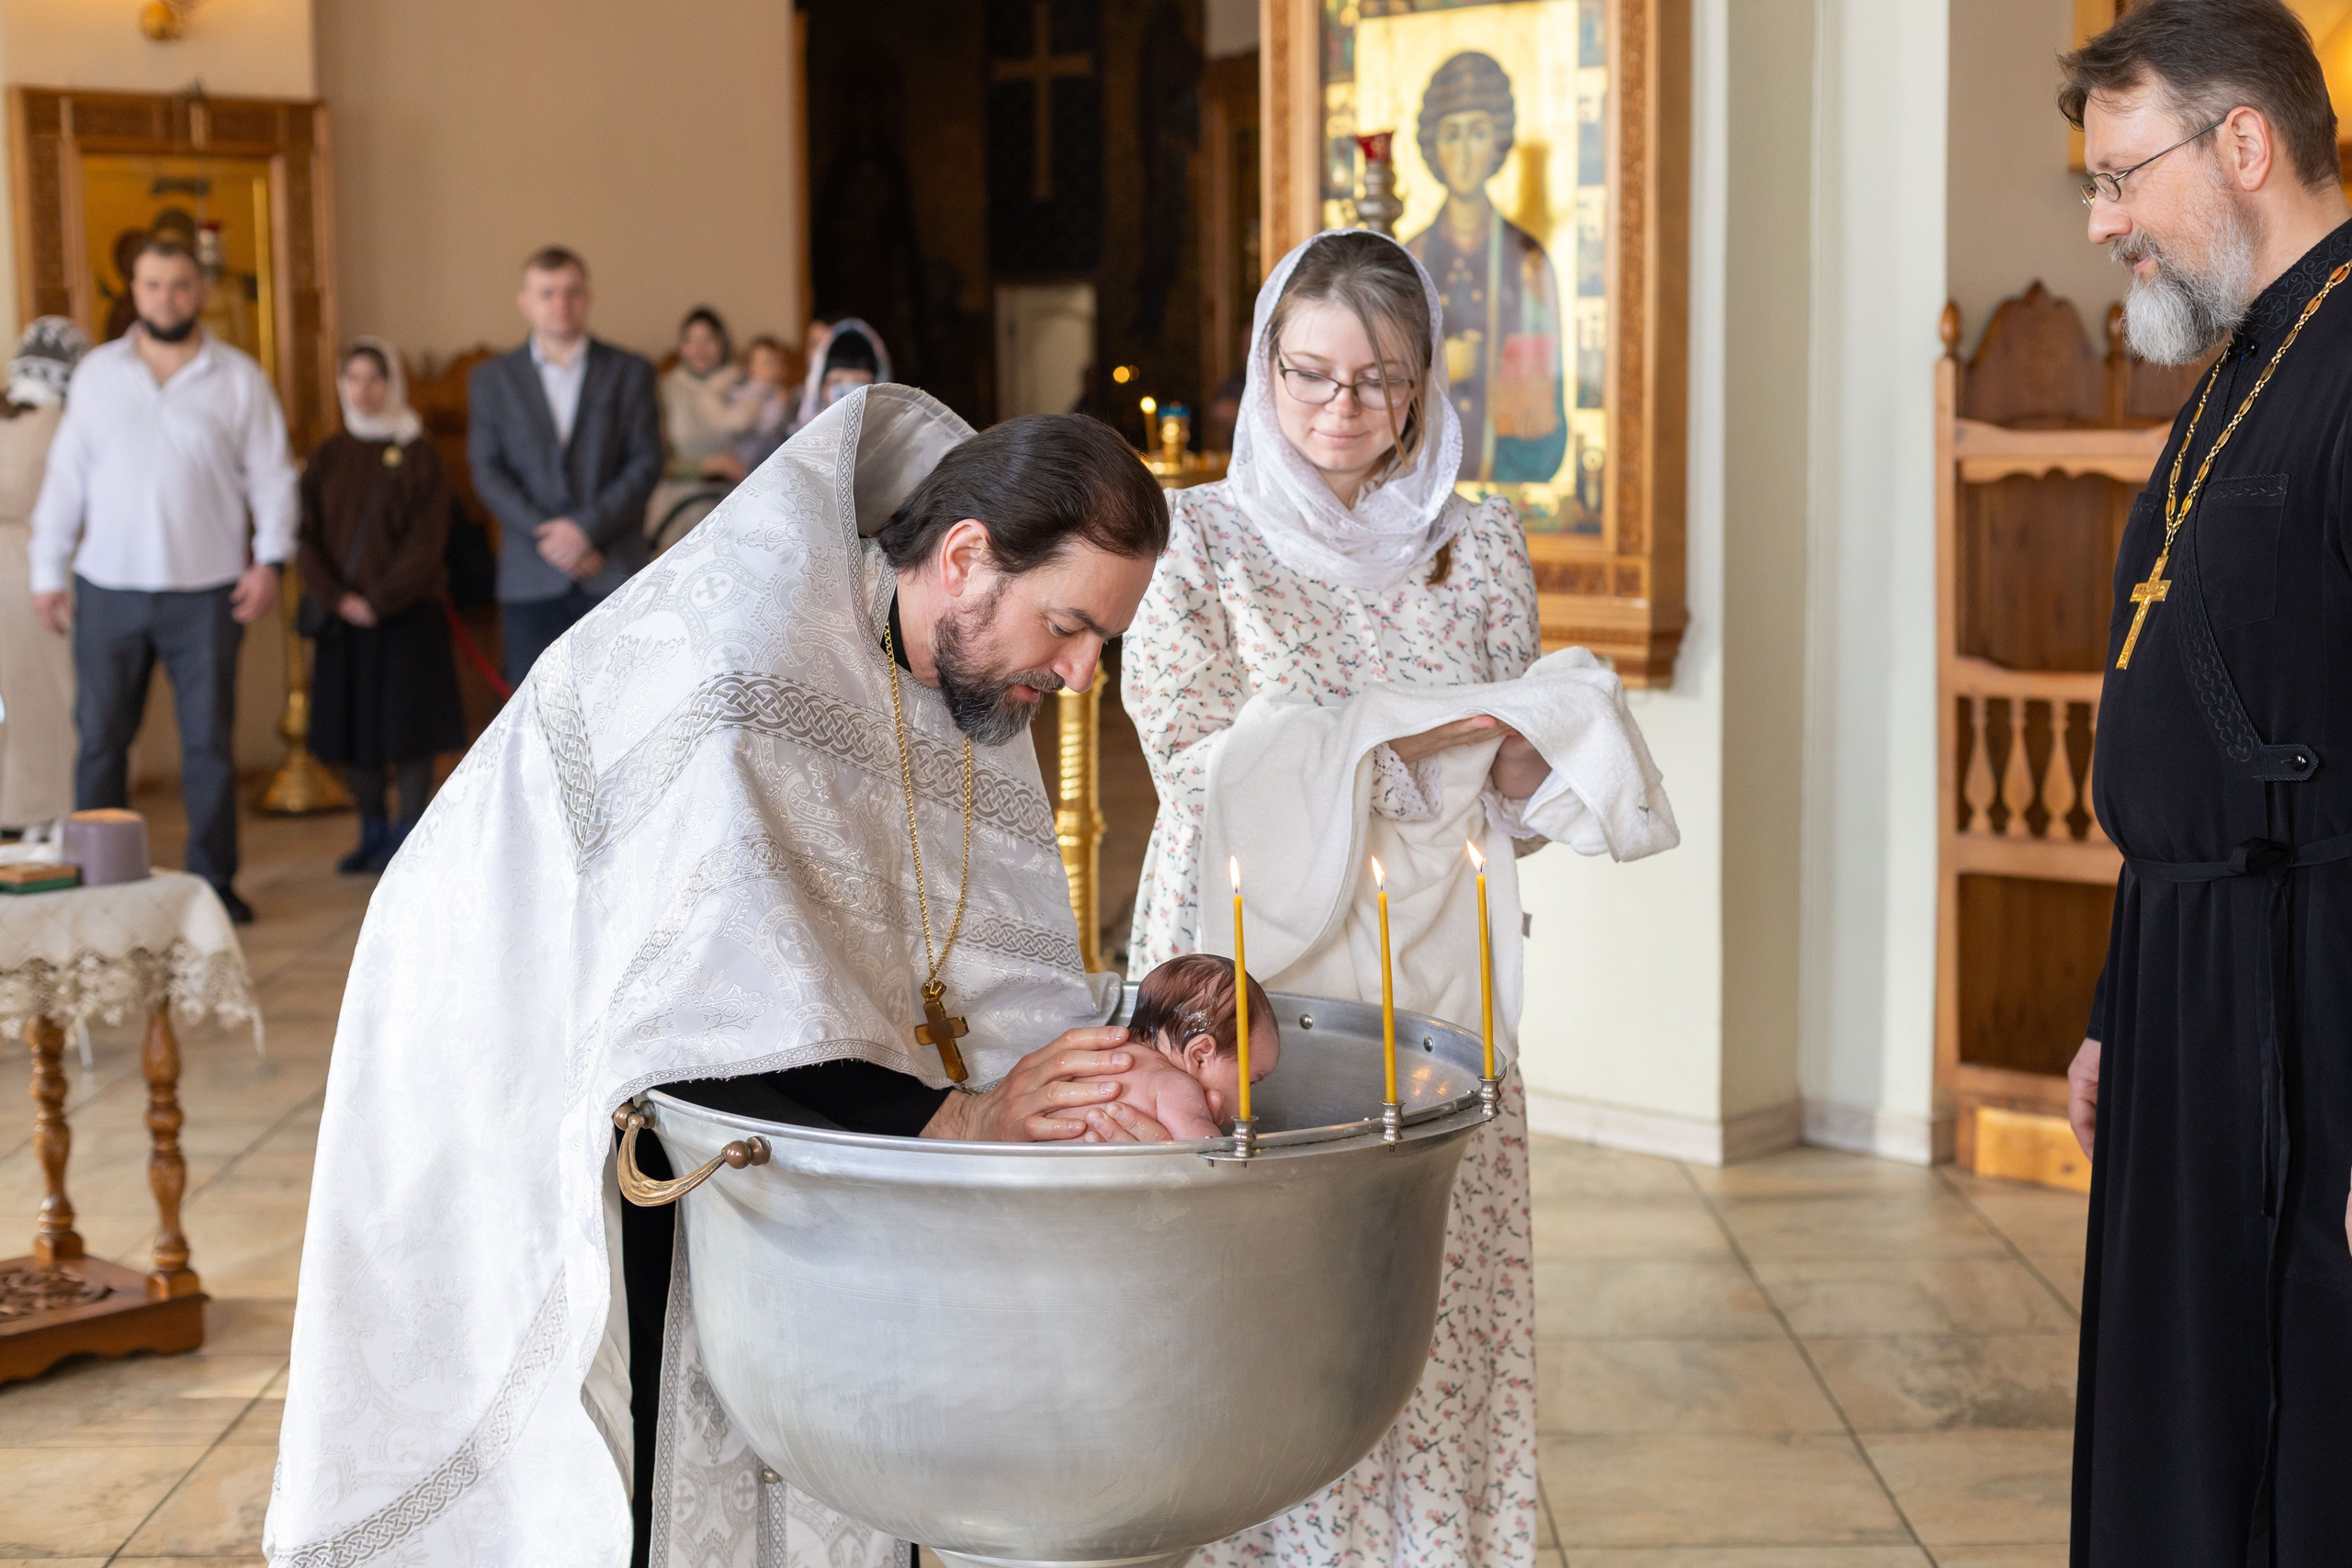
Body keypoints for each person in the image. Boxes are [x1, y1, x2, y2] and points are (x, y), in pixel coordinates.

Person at [265, 389, 1178, 1568]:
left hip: (763, 1088)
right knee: (650, 1454)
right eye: (1069, 625)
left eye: (1103, 639)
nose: (1081, 672)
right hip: (525, 1055)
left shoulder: (965, 688)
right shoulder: (741, 667)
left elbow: (977, 962)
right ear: (964, 558)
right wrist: (959, 1113)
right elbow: (706, 1036)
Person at [1125, 229, 1555, 1568]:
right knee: (1268, 1292)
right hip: (1251, 966)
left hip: (1433, 962)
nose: (1340, 410)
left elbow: (1514, 782)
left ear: (1424, 382)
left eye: (1377, 380)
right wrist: (1417, 739)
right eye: (1308, 374)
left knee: (1423, 1281)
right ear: (1266, 369)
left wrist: (1541, 755)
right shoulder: (1197, 536)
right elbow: (1193, 756)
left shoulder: (1480, 546)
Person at [2058, 4, 2352, 1561]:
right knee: (2179, 1415)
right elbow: (2186, 710)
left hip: (2312, 991)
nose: (2105, 223)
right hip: (2187, 971)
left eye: (2120, 177)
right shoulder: (2237, 374)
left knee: (2297, 1429)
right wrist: (2121, 996)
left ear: (2243, 142)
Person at [28, 236, 298, 923]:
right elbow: (66, 477)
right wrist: (45, 569)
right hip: (107, 586)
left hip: (206, 590)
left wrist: (270, 560)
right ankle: (97, 877)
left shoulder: (238, 377)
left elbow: (272, 474)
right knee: (101, 738)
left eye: (179, 285)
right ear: (135, 291)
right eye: (152, 285)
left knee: (208, 743)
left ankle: (214, 880)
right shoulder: (97, 374)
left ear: (199, 291)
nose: (166, 297)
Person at [298, 339, 465, 875]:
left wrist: (380, 598)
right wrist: (341, 598)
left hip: (406, 617)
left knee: (408, 732)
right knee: (357, 735)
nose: (364, 390)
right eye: (353, 378)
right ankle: (370, 829)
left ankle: (408, 836)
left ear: (392, 384)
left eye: (375, 378)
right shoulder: (328, 454)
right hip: (345, 622)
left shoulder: (418, 452)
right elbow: (305, 536)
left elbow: (428, 538)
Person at [469, 245, 662, 686]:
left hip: (611, 567)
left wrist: (584, 531)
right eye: (548, 292)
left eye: (572, 292)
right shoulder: (492, 380)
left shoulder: (630, 372)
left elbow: (646, 461)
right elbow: (487, 471)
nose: (561, 303)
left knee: (619, 710)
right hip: (530, 575)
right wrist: (553, 536)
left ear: (588, 296)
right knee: (533, 718)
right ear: (525, 302)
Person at [1403, 51, 1569, 485]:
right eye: (1451, 134)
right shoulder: (1410, 258)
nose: (1462, 154)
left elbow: (1546, 423)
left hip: (1509, 482)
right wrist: (1438, 370)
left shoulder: (1527, 261)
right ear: (1433, 146)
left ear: (1497, 142)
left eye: (1477, 133)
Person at [0, 317, 90, 834]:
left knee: (14, 699)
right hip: (43, 571)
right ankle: (52, 812)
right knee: (55, 698)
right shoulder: (62, 424)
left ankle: (16, 808)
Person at [1099, 953, 1280, 1141]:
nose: (1248, 1104)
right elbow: (1211, 1160)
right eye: (1249, 1083)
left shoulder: (1101, 1057)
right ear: (1200, 1056)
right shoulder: (1177, 1088)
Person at [791, 317, 889, 433]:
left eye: (859, 383)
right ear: (819, 387)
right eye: (836, 381)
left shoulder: (898, 443)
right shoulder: (795, 442)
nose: (847, 392)